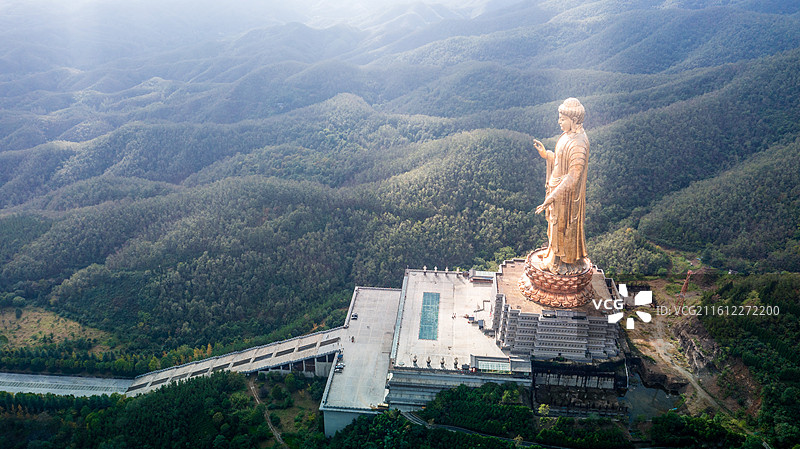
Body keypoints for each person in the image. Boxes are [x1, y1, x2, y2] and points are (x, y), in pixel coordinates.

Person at [532, 98, 590, 275]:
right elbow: (559, 162)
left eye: (562, 119)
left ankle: (561, 263)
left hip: (567, 198)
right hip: (558, 192)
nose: (559, 122)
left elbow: (573, 176)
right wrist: (547, 155)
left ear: (573, 120)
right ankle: (553, 256)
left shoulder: (579, 143)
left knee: (562, 228)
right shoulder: (567, 136)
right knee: (554, 228)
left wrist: (552, 197)